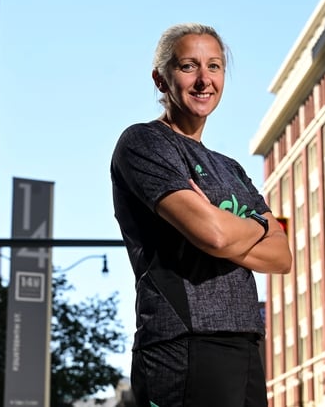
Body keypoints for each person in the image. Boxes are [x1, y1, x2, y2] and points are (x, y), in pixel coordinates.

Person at [111, 22, 292, 407]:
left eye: (214, 66)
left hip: (244, 339)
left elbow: (282, 256)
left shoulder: (231, 168)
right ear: (161, 80)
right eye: (188, 66)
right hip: (182, 340)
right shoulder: (144, 142)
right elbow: (214, 236)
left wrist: (234, 227)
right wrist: (258, 228)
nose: (203, 80)